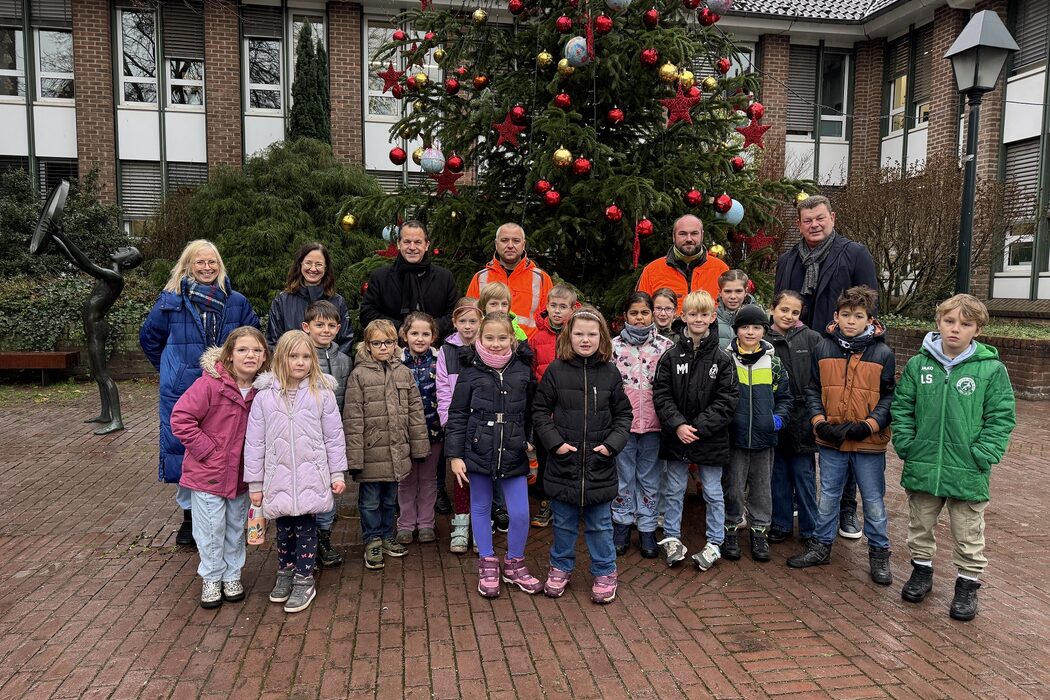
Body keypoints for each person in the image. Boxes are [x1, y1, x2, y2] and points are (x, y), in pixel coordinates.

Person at [892, 294, 1016, 621]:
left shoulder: (991, 369)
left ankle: (967, 584)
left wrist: (984, 453)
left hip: (967, 467)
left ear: (978, 329)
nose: (955, 329)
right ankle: (921, 571)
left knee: (968, 530)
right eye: (949, 321)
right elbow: (902, 408)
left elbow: (1001, 417)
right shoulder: (919, 365)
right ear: (938, 323)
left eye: (965, 324)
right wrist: (907, 444)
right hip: (924, 462)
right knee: (920, 523)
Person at [140, 239, 260, 548]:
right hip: (184, 387)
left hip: (227, 386)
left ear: (220, 265)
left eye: (212, 262)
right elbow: (150, 338)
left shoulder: (236, 302)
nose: (207, 268)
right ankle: (189, 517)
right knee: (187, 448)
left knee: (225, 444)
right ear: (188, 266)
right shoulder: (171, 301)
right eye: (200, 262)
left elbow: (253, 336)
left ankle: (227, 512)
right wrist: (173, 367)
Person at [774, 195, 878, 539]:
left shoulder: (854, 254)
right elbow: (780, 307)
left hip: (840, 355)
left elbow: (869, 306)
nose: (814, 225)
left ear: (832, 217)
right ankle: (795, 498)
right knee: (797, 426)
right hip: (796, 355)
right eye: (807, 220)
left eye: (820, 218)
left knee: (842, 431)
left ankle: (846, 508)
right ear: (799, 224)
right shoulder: (788, 260)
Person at [788, 286, 896, 585]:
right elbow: (813, 388)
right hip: (831, 438)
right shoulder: (823, 347)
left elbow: (889, 397)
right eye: (846, 315)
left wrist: (870, 425)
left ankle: (879, 552)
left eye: (858, 316)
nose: (851, 321)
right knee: (828, 495)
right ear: (836, 316)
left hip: (868, 441)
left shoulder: (883, 353)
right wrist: (819, 421)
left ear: (870, 320)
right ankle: (821, 545)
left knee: (873, 500)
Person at [243, 331, 348, 614]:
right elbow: (255, 443)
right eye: (293, 356)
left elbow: (334, 437)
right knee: (284, 530)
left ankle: (304, 578)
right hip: (277, 478)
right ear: (280, 358)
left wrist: (337, 473)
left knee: (305, 529)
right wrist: (255, 483)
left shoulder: (322, 395)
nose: (300, 362)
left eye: (305, 357)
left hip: (311, 477)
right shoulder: (264, 398)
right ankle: (286, 572)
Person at [533, 307, 633, 604]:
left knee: (600, 524)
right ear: (568, 336)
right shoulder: (556, 370)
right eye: (579, 334)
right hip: (564, 463)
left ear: (602, 337)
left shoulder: (610, 372)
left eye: (592, 334)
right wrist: (555, 444)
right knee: (563, 523)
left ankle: (605, 571)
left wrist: (611, 445)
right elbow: (539, 412)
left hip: (599, 464)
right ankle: (560, 567)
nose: (585, 340)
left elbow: (623, 415)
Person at [170, 327, 268, 609]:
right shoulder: (210, 385)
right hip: (208, 474)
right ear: (229, 354)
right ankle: (212, 577)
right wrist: (208, 451)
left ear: (264, 356)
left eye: (256, 350)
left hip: (241, 476)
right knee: (211, 529)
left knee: (235, 527)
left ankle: (232, 575)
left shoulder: (263, 391)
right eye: (242, 350)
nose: (250, 355)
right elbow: (181, 418)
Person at [446, 312, 541, 598]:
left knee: (520, 512)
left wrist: (529, 439)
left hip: (513, 449)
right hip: (478, 448)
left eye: (501, 338)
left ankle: (514, 563)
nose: (495, 343)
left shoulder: (522, 369)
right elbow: (458, 413)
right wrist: (455, 455)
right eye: (489, 338)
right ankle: (487, 562)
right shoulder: (470, 370)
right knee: (481, 507)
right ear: (479, 338)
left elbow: (532, 409)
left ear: (511, 338)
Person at [653, 291, 737, 571]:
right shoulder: (670, 356)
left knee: (712, 491)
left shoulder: (723, 359)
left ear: (713, 317)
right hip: (676, 437)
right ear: (683, 316)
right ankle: (672, 538)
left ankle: (715, 541)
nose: (698, 319)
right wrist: (678, 424)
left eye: (704, 314)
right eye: (692, 314)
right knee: (674, 489)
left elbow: (727, 400)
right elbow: (661, 394)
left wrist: (698, 427)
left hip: (710, 438)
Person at [344, 320, 430, 570]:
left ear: (395, 344)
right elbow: (353, 418)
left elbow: (415, 412)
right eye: (377, 343)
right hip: (371, 452)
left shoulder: (403, 372)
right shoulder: (359, 375)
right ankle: (372, 540)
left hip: (397, 450)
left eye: (388, 342)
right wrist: (354, 458)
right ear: (367, 345)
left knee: (390, 500)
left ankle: (386, 535)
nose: (383, 347)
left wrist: (419, 447)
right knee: (370, 501)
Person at [723, 304, 793, 563]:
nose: (750, 332)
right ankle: (730, 528)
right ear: (736, 330)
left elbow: (785, 397)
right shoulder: (726, 360)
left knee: (762, 489)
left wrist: (777, 420)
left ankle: (759, 531)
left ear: (764, 330)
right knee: (733, 487)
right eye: (745, 327)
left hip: (764, 438)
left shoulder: (773, 362)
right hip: (735, 437)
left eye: (756, 327)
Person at [611, 292, 673, 556]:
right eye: (634, 313)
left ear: (652, 315)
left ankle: (647, 528)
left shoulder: (666, 347)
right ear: (625, 316)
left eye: (644, 313)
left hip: (654, 425)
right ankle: (622, 526)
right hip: (622, 426)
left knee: (650, 479)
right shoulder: (612, 347)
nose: (639, 318)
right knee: (623, 477)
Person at [766, 291, 821, 545]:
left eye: (795, 312)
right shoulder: (764, 339)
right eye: (784, 310)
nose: (789, 316)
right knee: (778, 475)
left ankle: (810, 528)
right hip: (775, 413)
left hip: (802, 416)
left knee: (804, 476)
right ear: (773, 309)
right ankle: (781, 523)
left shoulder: (811, 338)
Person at [300, 300, 351, 567]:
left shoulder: (344, 360)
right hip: (306, 436)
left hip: (333, 434)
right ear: (306, 327)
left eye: (331, 325)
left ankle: (323, 537)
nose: (325, 330)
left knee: (331, 487)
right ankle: (305, 538)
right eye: (319, 325)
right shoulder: (301, 358)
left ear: (338, 329)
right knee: (308, 487)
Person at [527, 283, 578, 529]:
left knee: (570, 455)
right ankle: (546, 502)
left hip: (571, 409)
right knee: (546, 457)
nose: (557, 311)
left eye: (563, 306)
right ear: (546, 306)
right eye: (553, 306)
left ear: (572, 308)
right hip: (546, 410)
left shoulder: (576, 335)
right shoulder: (536, 338)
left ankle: (569, 503)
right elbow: (531, 372)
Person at [436, 299, 484, 553]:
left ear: (481, 322)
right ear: (454, 322)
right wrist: (447, 420)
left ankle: (481, 523)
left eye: (473, 321)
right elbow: (443, 389)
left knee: (482, 474)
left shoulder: (487, 347)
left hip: (482, 421)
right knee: (461, 473)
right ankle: (462, 522)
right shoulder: (446, 351)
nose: (467, 326)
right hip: (458, 422)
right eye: (462, 321)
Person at [359, 220, 459, 339]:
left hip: (435, 345)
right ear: (398, 244)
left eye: (418, 242)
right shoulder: (380, 277)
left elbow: (454, 315)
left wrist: (428, 331)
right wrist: (400, 329)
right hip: (391, 345)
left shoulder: (444, 277)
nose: (412, 247)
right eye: (407, 242)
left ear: (426, 245)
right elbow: (367, 313)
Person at [395, 312, 443, 545]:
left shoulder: (439, 360)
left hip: (433, 429)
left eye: (425, 334)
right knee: (406, 478)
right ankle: (405, 524)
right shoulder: (396, 361)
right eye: (414, 333)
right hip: (404, 432)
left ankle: (426, 523)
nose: (420, 338)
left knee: (428, 478)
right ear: (405, 335)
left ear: (433, 336)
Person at [466, 222, 553, 339]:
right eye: (504, 240)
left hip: (529, 347)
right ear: (496, 244)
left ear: (523, 244)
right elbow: (470, 316)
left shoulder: (541, 279)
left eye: (516, 241)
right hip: (491, 345)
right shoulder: (480, 278)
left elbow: (549, 320)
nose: (510, 245)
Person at [267, 242, 354, 356]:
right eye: (308, 263)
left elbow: (346, 341)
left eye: (318, 264)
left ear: (326, 267)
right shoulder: (282, 301)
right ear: (300, 264)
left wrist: (331, 362)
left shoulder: (337, 301)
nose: (313, 269)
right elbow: (273, 342)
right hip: (292, 365)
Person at [636, 215, 729, 313]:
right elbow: (641, 311)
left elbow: (731, 311)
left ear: (702, 235)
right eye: (683, 234)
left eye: (694, 233)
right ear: (674, 236)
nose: (689, 239)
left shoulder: (721, 269)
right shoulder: (652, 271)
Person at [715, 269, 757, 349]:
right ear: (720, 292)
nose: (733, 296)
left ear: (745, 292)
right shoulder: (711, 319)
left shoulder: (758, 317)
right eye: (728, 291)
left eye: (738, 291)